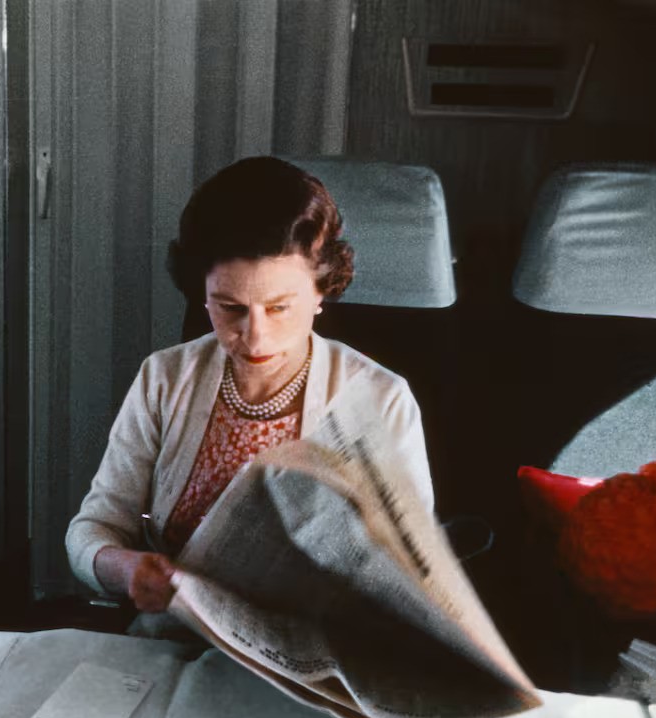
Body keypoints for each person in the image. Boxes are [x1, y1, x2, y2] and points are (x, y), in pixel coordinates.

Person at [65, 156, 433, 618]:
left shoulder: (382, 401)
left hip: (312, 662)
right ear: (201, 293)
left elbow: (410, 574)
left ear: (322, 290)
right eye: (229, 307)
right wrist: (124, 569)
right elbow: (93, 528)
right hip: (173, 641)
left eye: (280, 308)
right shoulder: (165, 378)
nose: (256, 336)